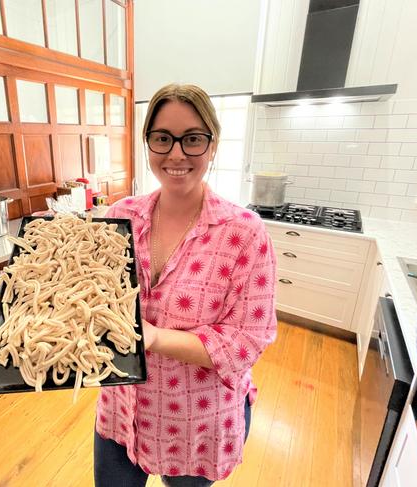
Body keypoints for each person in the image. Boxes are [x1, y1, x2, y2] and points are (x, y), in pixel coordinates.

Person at [94, 83, 277, 487]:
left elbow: (247, 340)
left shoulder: (243, 233)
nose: (176, 154)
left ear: (212, 147)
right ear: (148, 145)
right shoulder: (120, 215)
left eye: (192, 139)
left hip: (196, 421)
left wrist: (154, 338)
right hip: (123, 408)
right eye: (162, 139)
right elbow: (96, 298)